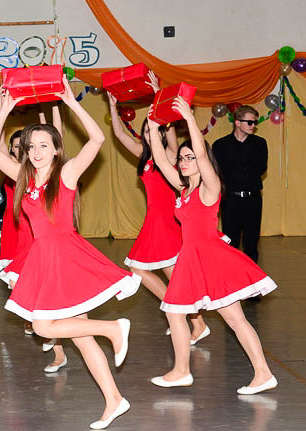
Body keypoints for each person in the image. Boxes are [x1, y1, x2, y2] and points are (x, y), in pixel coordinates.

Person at [0, 78, 140, 430]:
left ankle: (114, 328)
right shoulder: (24, 178)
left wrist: (71, 102)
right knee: (81, 337)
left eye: (44, 145)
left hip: (66, 257)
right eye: (31, 146)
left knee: (42, 325)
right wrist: (3, 111)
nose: (36, 151)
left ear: (56, 149)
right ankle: (114, 399)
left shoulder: (66, 173)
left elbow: (97, 140)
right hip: (43, 260)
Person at [147, 97, 277, 395]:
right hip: (191, 259)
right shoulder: (184, 189)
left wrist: (190, 119)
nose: (184, 162)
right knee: (174, 312)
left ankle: (263, 373)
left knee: (235, 319)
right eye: (182, 158)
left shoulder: (210, 187)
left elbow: (203, 157)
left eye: (190, 158)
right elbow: (161, 160)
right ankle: (182, 371)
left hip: (212, 259)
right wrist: (154, 128)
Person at [107, 71, 210, 345]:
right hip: (154, 220)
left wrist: (157, 94)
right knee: (148, 271)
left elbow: (167, 124)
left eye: (152, 129)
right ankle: (185, 317)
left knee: (168, 275)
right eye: (144, 130)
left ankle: (192, 321)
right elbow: (118, 133)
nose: (148, 134)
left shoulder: (172, 155)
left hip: (169, 220)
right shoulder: (144, 157)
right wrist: (113, 106)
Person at [0, 107, 68, 373]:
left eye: (24, 146)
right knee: (18, 285)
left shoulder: (44, 172)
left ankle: (57, 348)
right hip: (16, 234)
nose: (21, 149)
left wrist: (51, 105)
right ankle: (42, 324)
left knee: (49, 296)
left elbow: (56, 136)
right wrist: (2, 111)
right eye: (19, 146)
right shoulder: (16, 170)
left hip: (38, 237)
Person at [212, 105, 268, 263]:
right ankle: (232, 275)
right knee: (231, 242)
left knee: (252, 243)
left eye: (255, 122)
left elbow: (261, 168)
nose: (253, 126)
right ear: (237, 122)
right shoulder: (220, 145)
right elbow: (217, 172)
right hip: (230, 200)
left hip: (253, 199)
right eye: (250, 122)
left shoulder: (259, 143)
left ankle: (252, 276)